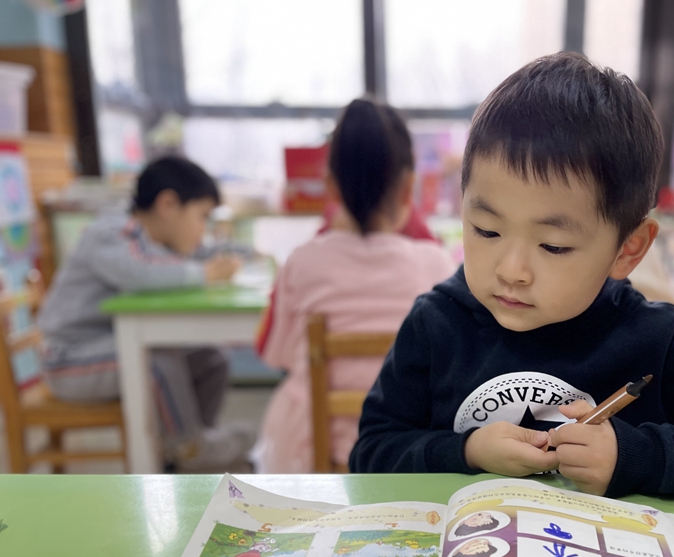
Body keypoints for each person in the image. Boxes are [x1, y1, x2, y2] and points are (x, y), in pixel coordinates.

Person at [349, 53, 674, 498]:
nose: (511, 270)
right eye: (486, 230)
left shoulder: (658, 340)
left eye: (553, 246)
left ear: (628, 249)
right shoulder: (436, 323)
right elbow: (370, 454)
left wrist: (637, 457)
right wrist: (467, 451)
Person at [256, 97, 455, 472]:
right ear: (407, 186)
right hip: (405, 451)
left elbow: (274, 354)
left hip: (311, 451)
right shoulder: (436, 263)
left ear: (330, 187)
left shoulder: (302, 262)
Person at [38, 156, 255, 471]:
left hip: (109, 350)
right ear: (168, 205)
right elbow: (140, 273)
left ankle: (187, 446)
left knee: (211, 358)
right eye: (202, 217)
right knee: (155, 361)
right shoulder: (112, 232)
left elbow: (196, 254)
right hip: (70, 361)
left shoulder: (155, 239)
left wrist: (245, 253)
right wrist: (206, 273)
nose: (203, 229)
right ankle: (190, 447)